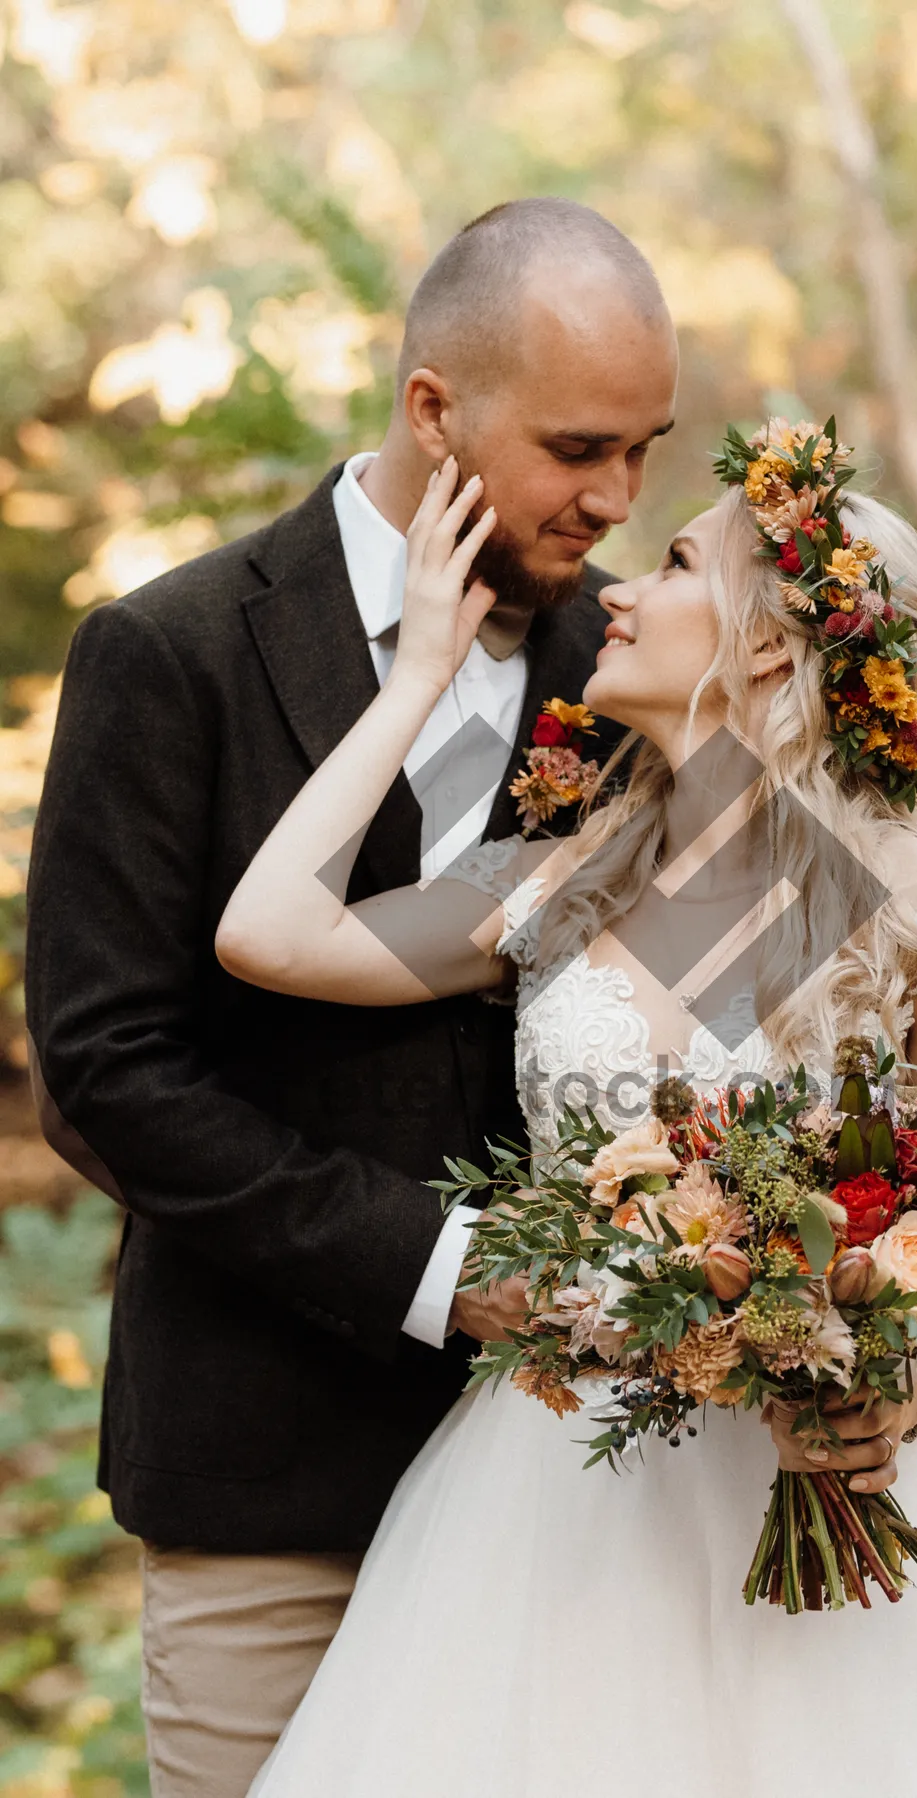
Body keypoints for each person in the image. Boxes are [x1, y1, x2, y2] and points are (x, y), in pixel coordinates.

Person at [216, 428, 917, 1796]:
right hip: (550, 1499)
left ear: (777, 643)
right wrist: (416, 676)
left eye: (674, 561)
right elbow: (269, 931)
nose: (618, 589)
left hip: (827, 1513)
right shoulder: (565, 877)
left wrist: (887, 1386)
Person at [22, 197, 681, 1798]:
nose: (613, 499)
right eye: (578, 447)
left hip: (582, 1500)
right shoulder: (168, 652)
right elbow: (106, 1074)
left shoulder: (640, 663)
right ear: (432, 405)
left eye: (644, 451)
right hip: (273, 1487)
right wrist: (442, 1267)